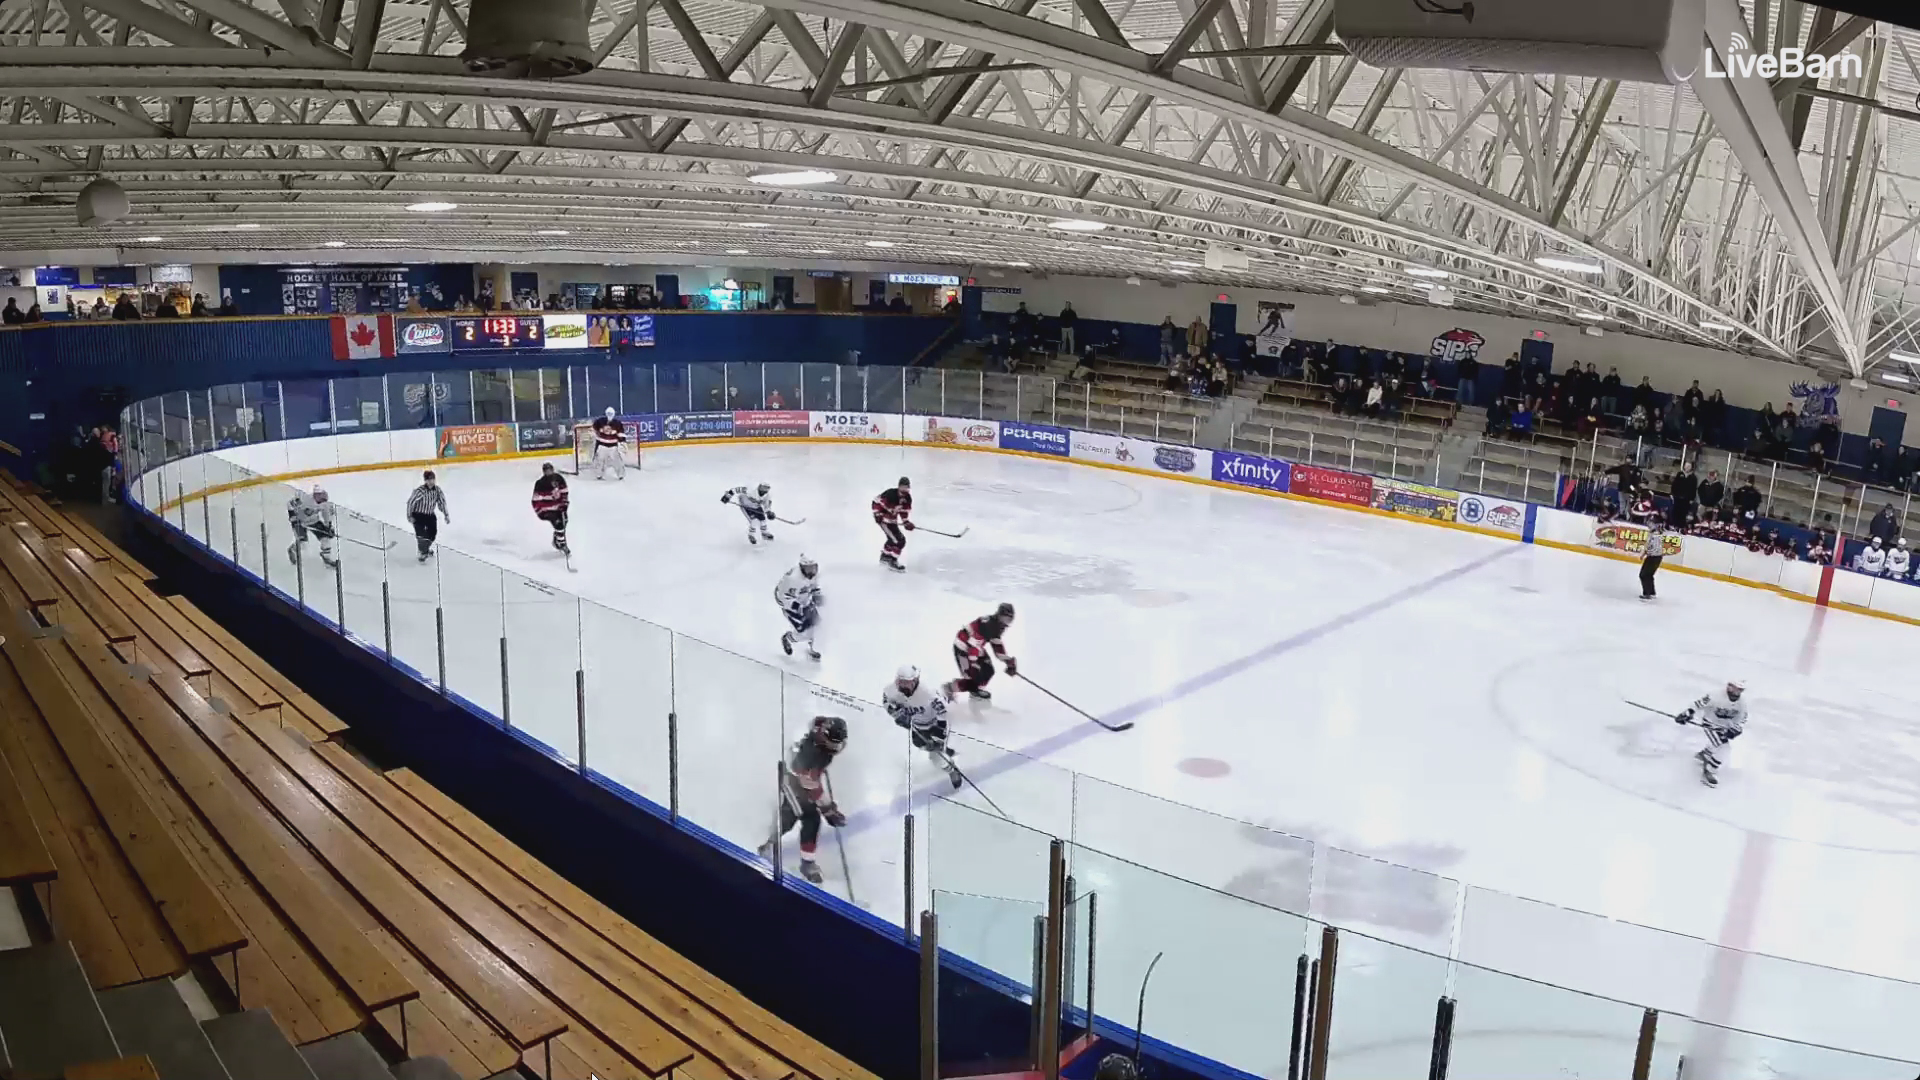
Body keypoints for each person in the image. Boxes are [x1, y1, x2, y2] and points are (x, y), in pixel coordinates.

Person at [757, 715, 849, 884]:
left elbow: (817, 721)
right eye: (833, 742)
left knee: (809, 818)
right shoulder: (811, 753)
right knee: (798, 816)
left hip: (799, 776)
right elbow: (811, 785)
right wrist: (829, 810)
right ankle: (766, 843)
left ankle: (806, 861)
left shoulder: (820, 730)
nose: (836, 747)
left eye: (838, 742)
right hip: (789, 779)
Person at [884, 665, 961, 789]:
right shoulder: (891, 690)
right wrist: (896, 715)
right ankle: (947, 751)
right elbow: (887, 703)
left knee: (936, 757)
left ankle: (951, 770)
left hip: (936, 723)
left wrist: (938, 738)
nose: (903, 686)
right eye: (900, 682)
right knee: (921, 744)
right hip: (918, 726)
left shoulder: (928, 693)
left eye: (907, 683)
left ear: (915, 681)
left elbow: (945, 714)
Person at [1675, 680, 1747, 788]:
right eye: (1734, 688)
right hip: (1711, 724)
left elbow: (1743, 717)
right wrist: (1687, 713)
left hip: (1726, 726)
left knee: (1718, 743)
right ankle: (1710, 770)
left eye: (1740, 689)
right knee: (1724, 748)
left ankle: (1705, 754)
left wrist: (1736, 728)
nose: (1736, 692)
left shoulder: (1742, 703)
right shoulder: (1715, 696)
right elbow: (1698, 704)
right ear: (1729, 686)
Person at [946, 602, 1017, 701]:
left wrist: (1008, 661)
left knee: (988, 671)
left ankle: (975, 692)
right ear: (999, 615)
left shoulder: (995, 626)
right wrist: (973, 664)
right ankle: (949, 689)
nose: (1006, 623)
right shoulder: (988, 625)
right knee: (971, 679)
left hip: (976, 648)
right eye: (1005, 619)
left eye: (1009, 620)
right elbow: (973, 644)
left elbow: (997, 646)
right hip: (962, 647)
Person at [774, 555, 822, 659]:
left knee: (818, 625)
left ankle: (813, 647)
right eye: (808, 568)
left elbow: (814, 586)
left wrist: (817, 595)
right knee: (804, 632)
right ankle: (788, 638)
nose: (811, 571)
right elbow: (782, 596)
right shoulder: (792, 579)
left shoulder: (814, 574)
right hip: (792, 608)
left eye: (813, 567)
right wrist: (797, 607)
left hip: (805, 601)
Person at [286, 486, 338, 569]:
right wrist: (292, 515)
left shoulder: (325, 504)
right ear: (315, 495)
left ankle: (327, 558)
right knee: (303, 544)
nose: (321, 501)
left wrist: (328, 527)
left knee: (326, 538)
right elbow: (290, 504)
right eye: (319, 497)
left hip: (314, 521)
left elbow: (326, 515)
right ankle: (292, 549)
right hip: (299, 521)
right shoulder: (304, 499)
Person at [405, 470, 450, 562]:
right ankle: (422, 552)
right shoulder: (420, 491)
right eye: (429, 480)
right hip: (418, 515)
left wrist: (446, 514)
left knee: (432, 534)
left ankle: (425, 549)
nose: (431, 482)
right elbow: (411, 502)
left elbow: (442, 502)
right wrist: (409, 516)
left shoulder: (437, 490)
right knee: (421, 535)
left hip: (430, 515)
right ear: (425, 481)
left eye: (433, 479)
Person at [531, 463, 571, 562]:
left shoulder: (559, 478)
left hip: (558, 507)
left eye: (550, 470)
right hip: (546, 509)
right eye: (547, 470)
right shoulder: (540, 483)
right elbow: (535, 500)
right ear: (544, 472)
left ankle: (557, 539)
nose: (549, 472)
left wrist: (564, 505)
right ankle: (561, 544)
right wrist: (541, 511)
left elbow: (564, 492)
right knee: (559, 524)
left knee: (564, 521)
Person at [872, 476, 913, 571]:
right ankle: (892, 561)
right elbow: (876, 502)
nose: (904, 489)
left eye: (906, 487)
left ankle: (885, 557)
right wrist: (877, 514)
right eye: (902, 487)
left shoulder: (907, 498)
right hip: (883, 520)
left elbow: (904, 511)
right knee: (898, 540)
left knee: (894, 539)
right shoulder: (890, 494)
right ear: (898, 487)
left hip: (892, 520)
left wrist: (906, 522)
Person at [588, 407, 627, 480]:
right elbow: (593, 430)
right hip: (602, 446)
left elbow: (621, 434)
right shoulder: (599, 421)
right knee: (600, 460)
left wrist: (623, 442)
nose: (610, 415)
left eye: (611, 413)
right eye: (608, 413)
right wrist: (595, 435)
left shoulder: (618, 423)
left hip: (613, 447)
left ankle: (621, 474)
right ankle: (599, 474)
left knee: (617, 461)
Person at [1639, 513, 1670, 601]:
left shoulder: (1656, 534)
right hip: (1655, 557)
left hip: (1654, 557)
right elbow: (1649, 545)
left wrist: (1646, 553)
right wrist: (1644, 553)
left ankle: (1647, 593)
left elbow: (1652, 546)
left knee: (1644, 575)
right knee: (1648, 575)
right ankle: (1651, 592)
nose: (1649, 524)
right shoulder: (1654, 533)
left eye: (1651, 523)